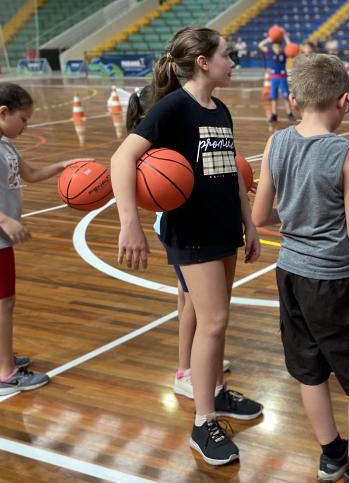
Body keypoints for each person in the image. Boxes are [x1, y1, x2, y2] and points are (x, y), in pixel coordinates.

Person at [251, 53, 349, 483]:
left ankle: (331, 454)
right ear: (343, 100)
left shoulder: (276, 142)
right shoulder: (344, 151)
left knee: (310, 370)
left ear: (296, 98)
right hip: (335, 279)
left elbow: (262, 216)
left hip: (290, 274)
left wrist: (298, 219)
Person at [111, 27, 263, 466]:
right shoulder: (173, 108)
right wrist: (130, 224)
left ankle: (214, 391)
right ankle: (202, 423)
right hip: (190, 232)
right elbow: (122, 158)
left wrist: (248, 223)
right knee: (212, 322)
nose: (231, 62)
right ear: (203, 62)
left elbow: (232, 173)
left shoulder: (220, 109)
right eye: (226, 55)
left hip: (223, 229)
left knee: (214, 320)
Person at [125, 85, 231, 399]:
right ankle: (185, 371)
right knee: (192, 304)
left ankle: (197, 360)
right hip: (177, 229)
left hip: (193, 228)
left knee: (188, 300)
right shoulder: (155, 149)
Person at [0, 83, 89, 396]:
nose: (27, 126)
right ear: (3, 113)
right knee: (4, 303)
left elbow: (32, 174)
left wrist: (65, 166)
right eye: (23, 119)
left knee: (4, 302)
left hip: (3, 240)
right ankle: (6, 376)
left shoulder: (7, 145)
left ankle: (2, 358)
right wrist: (5, 220)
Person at [258, 33, 295, 122]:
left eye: (278, 48)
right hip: (273, 78)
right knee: (274, 97)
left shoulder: (284, 54)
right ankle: (274, 114)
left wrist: (285, 37)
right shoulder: (269, 53)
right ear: (272, 48)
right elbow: (260, 45)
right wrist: (269, 39)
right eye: (275, 47)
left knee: (286, 96)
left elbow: (290, 47)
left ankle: (289, 113)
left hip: (282, 78)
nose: (277, 49)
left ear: (281, 48)